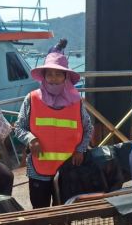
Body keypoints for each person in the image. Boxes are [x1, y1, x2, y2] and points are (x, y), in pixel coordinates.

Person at [14, 52, 92, 210]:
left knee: (64, 213)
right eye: (49, 74)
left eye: (58, 74)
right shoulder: (31, 99)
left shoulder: (77, 102)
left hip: (67, 170)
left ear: (66, 77)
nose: (54, 78)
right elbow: (18, 127)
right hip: (38, 170)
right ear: (43, 77)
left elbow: (88, 128)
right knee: (40, 213)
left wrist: (81, 149)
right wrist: (30, 139)